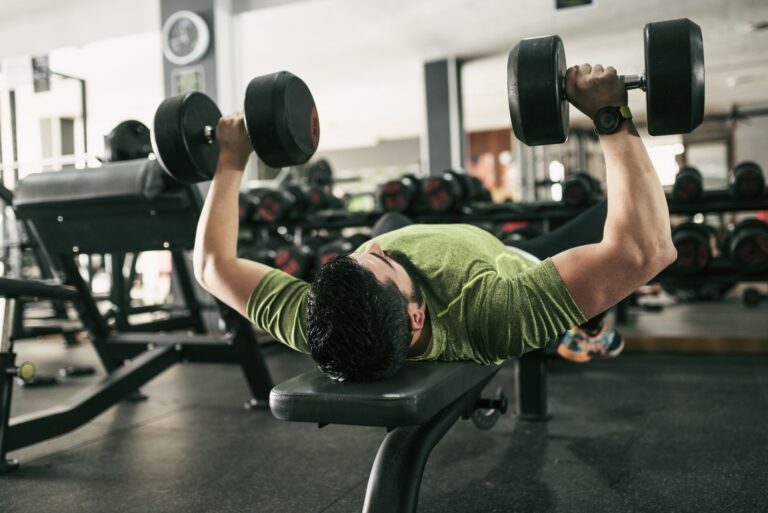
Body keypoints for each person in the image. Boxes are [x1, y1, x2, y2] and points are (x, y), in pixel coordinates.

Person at [192, 63, 677, 382]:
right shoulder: (492, 316)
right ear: (417, 316)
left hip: (425, 234)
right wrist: (609, 114)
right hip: (513, 258)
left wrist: (231, 159)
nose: (372, 247)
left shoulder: (320, 321)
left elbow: (212, 266)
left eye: (357, 256)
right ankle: (586, 328)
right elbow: (647, 249)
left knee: (388, 222)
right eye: (378, 262)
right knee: (613, 218)